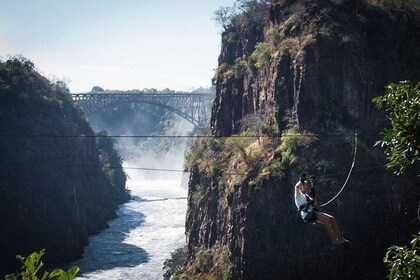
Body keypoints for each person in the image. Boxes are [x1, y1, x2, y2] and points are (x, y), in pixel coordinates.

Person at [295, 172, 349, 245]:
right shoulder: (298, 195)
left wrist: (313, 195)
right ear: (301, 186)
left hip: (313, 212)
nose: (306, 186)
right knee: (326, 222)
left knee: (332, 219)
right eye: (304, 184)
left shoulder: (306, 196)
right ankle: (334, 240)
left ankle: (340, 238)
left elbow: (314, 203)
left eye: (307, 185)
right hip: (307, 214)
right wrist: (301, 179)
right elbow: (296, 186)